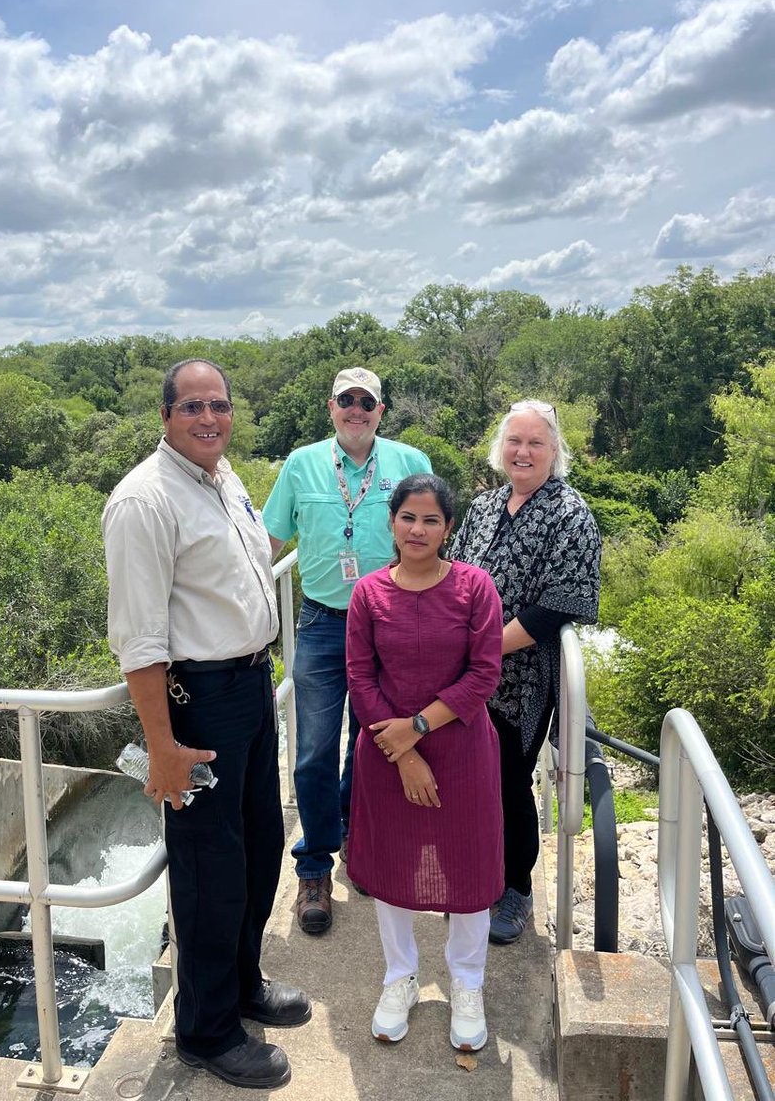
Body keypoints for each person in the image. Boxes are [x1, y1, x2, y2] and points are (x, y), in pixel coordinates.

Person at [102, 359, 310, 1092]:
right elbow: (139, 640)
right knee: (208, 871)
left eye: (218, 404)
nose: (208, 417)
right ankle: (206, 1029)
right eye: (191, 406)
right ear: (165, 416)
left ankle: (242, 984)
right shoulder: (144, 501)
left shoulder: (224, 480)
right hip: (199, 700)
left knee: (260, 848)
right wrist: (161, 746)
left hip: (252, 684)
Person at [262, 367, 431, 935]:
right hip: (322, 622)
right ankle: (314, 866)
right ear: (330, 407)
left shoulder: (409, 462)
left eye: (367, 401)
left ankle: (359, 837)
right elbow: (267, 542)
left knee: (375, 739)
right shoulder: (301, 464)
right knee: (311, 748)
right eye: (345, 400)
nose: (356, 410)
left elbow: (430, 537)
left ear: (381, 410)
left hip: (389, 622)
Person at [345, 473, 504, 1050]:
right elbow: (360, 679)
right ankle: (400, 976)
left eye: (431, 519)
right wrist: (403, 752)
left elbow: (484, 673)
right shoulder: (367, 593)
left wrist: (416, 730)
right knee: (393, 865)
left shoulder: (475, 588)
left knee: (468, 866)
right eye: (408, 517)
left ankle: (467, 982)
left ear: (449, 528)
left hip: (461, 749)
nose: (418, 529)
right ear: (391, 522)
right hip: (386, 751)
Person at [451, 400, 601, 945]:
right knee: (468, 775)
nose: (523, 452)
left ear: (554, 450)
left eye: (536, 443)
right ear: (501, 448)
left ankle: (513, 887)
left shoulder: (570, 514)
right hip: (467, 670)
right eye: (515, 441)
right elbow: (457, 578)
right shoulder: (485, 507)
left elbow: (556, 606)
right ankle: (474, 873)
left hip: (524, 678)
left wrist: (484, 646)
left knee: (510, 780)